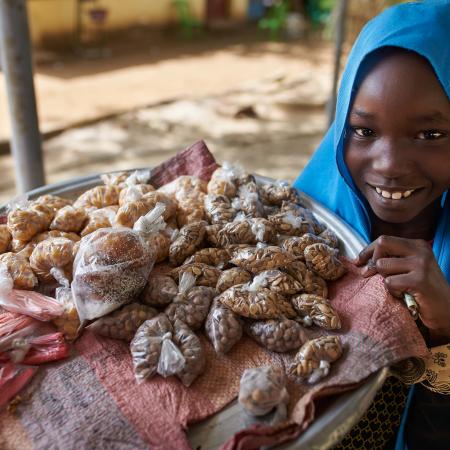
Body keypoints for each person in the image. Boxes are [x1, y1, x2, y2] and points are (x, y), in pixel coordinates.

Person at [293, 1, 450, 449]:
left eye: (430, 135)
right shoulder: (299, 229)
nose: (391, 166)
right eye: (363, 131)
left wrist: (443, 331)